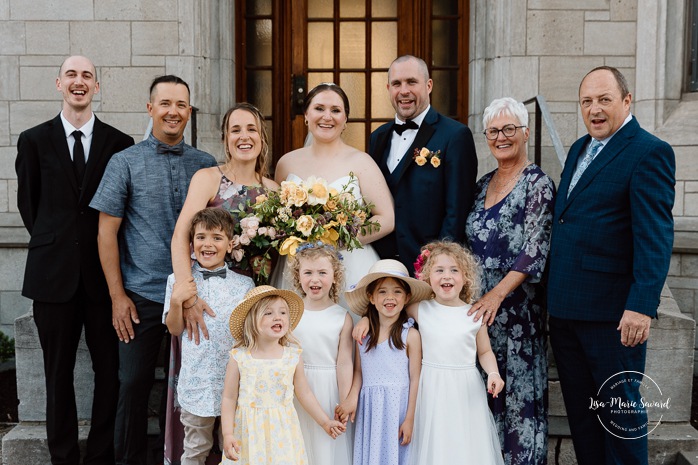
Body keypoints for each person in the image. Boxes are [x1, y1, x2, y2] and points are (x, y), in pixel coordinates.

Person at [547, 66, 675, 465]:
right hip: (566, 311)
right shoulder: (578, 148)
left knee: (619, 418)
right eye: (587, 102)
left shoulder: (648, 151)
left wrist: (641, 305)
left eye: (604, 99)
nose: (595, 109)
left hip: (613, 318)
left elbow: (654, 237)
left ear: (626, 100)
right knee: (584, 421)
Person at [90, 75, 217, 465]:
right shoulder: (124, 162)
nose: (173, 111)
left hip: (194, 295)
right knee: (132, 384)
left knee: (188, 386)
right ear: (150, 109)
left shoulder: (206, 164)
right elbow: (106, 233)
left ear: (189, 111)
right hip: (141, 295)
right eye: (165, 103)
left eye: (181, 104)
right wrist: (117, 297)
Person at [15, 55, 134, 465]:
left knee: (110, 374)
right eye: (72, 75)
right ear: (58, 84)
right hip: (53, 278)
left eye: (87, 75)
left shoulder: (120, 144)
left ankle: (100, 455)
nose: (79, 81)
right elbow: (30, 207)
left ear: (96, 87)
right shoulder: (33, 140)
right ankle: (63, 457)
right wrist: (58, 247)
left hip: (104, 280)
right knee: (57, 375)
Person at [165, 103, 277, 464]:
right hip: (205, 306)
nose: (244, 137)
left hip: (250, 306)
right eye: (235, 130)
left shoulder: (275, 190)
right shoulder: (208, 178)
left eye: (251, 130)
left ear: (262, 138)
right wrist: (188, 295)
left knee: (244, 418)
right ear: (226, 139)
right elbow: (181, 236)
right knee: (199, 424)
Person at [353, 242, 505, 464]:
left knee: (464, 443)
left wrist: (493, 373)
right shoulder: (420, 309)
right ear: (427, 277)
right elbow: (388, 307)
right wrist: (366, 318)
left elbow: (484, 352)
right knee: (434, 444)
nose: (447, 276)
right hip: (431, 387)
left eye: (454, 270)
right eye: (439, 270)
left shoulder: (473, 314)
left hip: (465, 389)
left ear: (465, 278)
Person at [465, 97, 554, 465]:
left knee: (518, 411)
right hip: (477, 319)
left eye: (509, 129)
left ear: (525, 132)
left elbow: (535, 249)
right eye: (493, 131)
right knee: (481, 409)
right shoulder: (482, 183)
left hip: (517, 318)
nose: (501, 137)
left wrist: (496, 296)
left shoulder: (538, 184)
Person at [274, 82, 394, 290]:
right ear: (306, 115)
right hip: (298, 267)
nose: (327, 117)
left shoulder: (362, 162)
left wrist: (339, 238)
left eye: (336, 110)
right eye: (319, 108)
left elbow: (387, 219)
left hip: (350, 265)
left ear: (345, 119)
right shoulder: (286, 163)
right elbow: (277, 217)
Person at [368, 55, 478, 274]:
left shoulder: (455, 136)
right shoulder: (377, 138)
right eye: (397, 84)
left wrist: (436, 264)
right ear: (388, 88)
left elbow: (456, 211)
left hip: (429, 268)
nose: (404, 91)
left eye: (411, 82)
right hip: (380, 266)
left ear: (428, 86)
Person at [163, 208, 255, 465]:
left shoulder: (245, 285)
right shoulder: (178, 281)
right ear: (191, 243)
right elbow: (174, 329)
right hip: (197, 381)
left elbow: (250, 335)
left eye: (217, 238)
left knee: (235, 449)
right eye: (201, 237)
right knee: (196, 448)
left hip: (234, 383)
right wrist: (177, 300)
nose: (208, 244)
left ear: (230, 243)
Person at [220, 286, 346, 464]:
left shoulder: (292, 356)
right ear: (252, 320)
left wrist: (325, 422)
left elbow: (305, 393)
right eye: (268, 313)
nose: (277, 317)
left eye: (283, 312)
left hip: (282, 432)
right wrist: (227, 433)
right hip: (249, 432)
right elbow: (229, 398)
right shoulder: (240, 357)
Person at [338, 260, 428, 465]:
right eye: (382, 292)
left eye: (397, 291)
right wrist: (352, 397)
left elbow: (416, 380)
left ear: (407, 298)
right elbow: (360, 372)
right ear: (371, 297)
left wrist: (410, 419)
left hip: (398, 408)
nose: (389, 297)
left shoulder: (410, 336)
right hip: (370, 409)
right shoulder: (364, 335)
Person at [288, 242, 354, 465]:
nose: (314, 279)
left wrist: (344, 400)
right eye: (308, 272)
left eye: (322, 273)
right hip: (297, 387)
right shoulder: (291, 314)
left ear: (335, 276)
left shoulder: (341, 317)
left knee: (325, 449)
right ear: (298, 276)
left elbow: (344, 363)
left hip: (328, 390)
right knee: (301, 445)